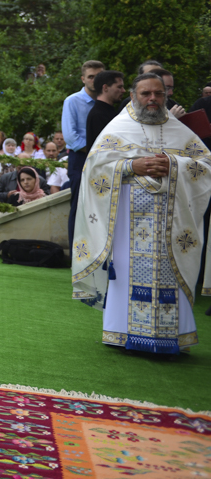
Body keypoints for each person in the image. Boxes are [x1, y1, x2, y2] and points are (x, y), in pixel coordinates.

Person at [73, 73, 211, 354]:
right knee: (125, 274)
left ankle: (172, 338)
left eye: (158, 94)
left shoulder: (181, 132)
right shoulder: (118, 128)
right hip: (126, 225)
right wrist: (130, 167)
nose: (152, 99)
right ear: (134, 96)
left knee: (169, 275)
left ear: (166, 97)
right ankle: (121, 333)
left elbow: (205, 165)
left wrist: (174, 164)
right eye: (146, 93)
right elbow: (94, 169)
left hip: (172, 227)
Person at [62, 59, 106, 248]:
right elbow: (71, 137)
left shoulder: (107, 103)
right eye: (91, 77)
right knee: (79, 207)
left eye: (99, 76)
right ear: (83, 79)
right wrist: (99, 151)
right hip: (81, 159)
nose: (95, 80)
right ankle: (76, 254)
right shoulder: (72, 101)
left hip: (105, 160)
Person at [86, 69, 125, 150]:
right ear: (105, 88)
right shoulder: (98, 115)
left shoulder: (107, 112)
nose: (123, 91)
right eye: (119, 87)